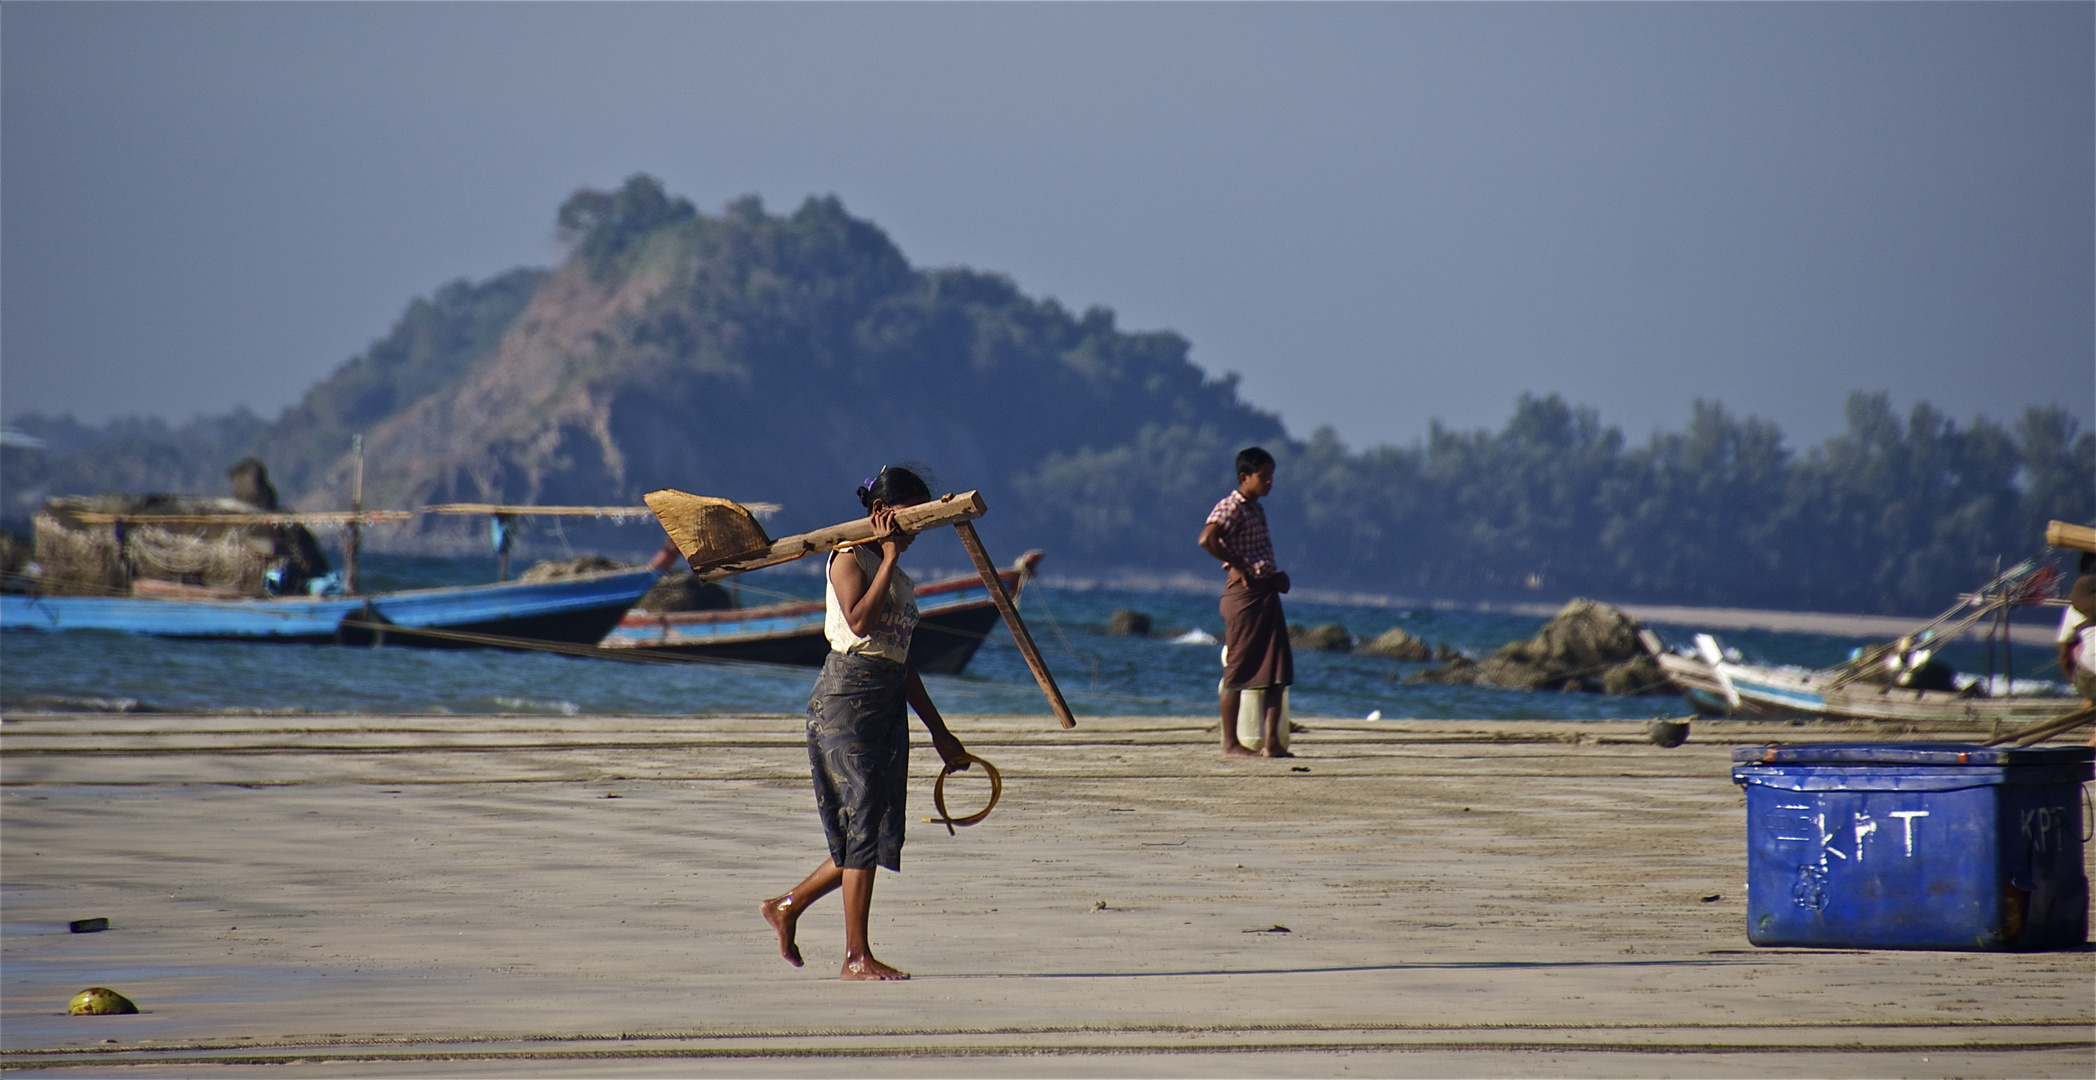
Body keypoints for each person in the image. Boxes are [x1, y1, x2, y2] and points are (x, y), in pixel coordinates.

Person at [759, 466, 970, 981]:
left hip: (886, 697)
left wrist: (940, 733)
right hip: (846, 700)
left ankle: (787, 906)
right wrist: (890, 553)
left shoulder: (895, 572)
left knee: (870, 827)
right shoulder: (852, 557)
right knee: (862, 823)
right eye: (912, 516)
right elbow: (859, 624)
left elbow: (901, 656)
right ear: (886, 514)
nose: (916, 531)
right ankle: (855, 956)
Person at [1198, 447, 1293, 758]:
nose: (1269, 483)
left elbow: (1259, 557)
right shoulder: (1232, 506)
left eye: (1271, 477)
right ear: (1244, 477)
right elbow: (1207, 538)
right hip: (1245, 598)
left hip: (1265, 593)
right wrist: (1236, 562)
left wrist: (1275, 577)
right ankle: (1230, 744)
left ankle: (1272, 742)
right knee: (1238, 672)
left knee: (1276, 672)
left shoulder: (1255, 508)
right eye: (1263, 477)